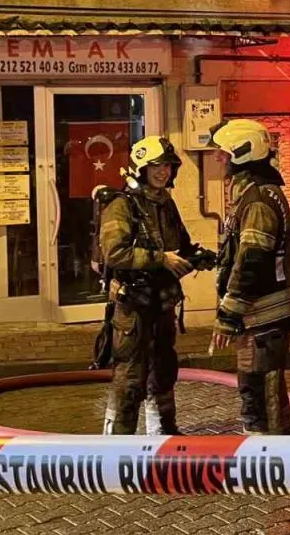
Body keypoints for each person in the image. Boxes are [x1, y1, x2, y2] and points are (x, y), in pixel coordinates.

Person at [99, 135, 204, 436]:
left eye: (168, 166)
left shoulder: (166, 203)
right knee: (130, 375)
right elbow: (114, 253)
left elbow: (181, 244)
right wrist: (161, 259)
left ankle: (163, 433)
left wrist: (197, 258)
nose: (163, 172)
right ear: (141, 168)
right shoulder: (121, 204)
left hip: (163, 303)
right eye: (156, 166)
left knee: (164, 368)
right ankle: (118, 442)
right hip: (134, 306)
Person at [208, 119, 290, 435]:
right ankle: (269, 452)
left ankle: (271, 457)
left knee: (262, 399)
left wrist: (228, 313)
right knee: (258, 394)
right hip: (260, 318)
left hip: (264, 317)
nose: (217, 158)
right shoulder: (255, 195)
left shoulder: (258, 201)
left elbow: (252, 262)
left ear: (241, 154)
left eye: (222, 152)